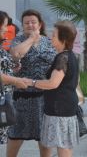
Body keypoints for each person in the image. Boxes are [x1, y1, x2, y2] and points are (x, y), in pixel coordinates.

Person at [22, 20, 80, 157]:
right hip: (64, 107)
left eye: (54, 35)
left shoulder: (63, 57)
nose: (50, 37)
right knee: (64, 144)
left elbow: (52, 84)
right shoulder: (69, 55)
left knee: (63, 146)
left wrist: (31, 82)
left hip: (60, 109)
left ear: (63, 39)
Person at [7, 9, 56, 157]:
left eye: (33, 22)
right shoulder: (18, 40)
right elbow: (15, 55)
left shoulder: (49, 41)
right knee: (16, 133)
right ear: (22, 25)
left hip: (45, 95)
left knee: (45, 135)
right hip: (23, 96)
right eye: (26, 23)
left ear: (40, 24)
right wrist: (31, 40)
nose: (30, 25)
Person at [0, 11, 28, 145]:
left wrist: (12, 68)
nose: (7, 29)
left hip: (4, 100)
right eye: (5, 25)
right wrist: (16, 81)